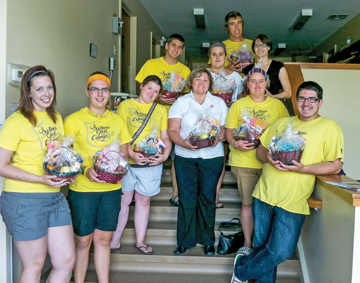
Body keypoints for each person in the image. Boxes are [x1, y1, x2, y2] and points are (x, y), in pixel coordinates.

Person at [231, 81, 344, 283]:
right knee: (262, 247)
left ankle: (241, 271)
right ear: (296, 101)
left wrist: (305, 168)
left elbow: (335, 165)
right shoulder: (282, 123)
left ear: (320, 102)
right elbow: (260, 151)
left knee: (280, 252)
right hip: (263, 194)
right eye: (302, 98)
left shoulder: (329, 127)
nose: (306, 103)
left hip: (293, 200)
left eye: (312, 99)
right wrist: (269, 158)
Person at [0, 65, 75, 283]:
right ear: (29, 92)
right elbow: (1, 165)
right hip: (24, 199)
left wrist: (66, 171)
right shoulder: (16, 122)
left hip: (54, 197)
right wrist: (39, 179)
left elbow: (55, 156)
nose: (46, 93)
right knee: (34, 265)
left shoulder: (56, 117)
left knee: (66, 261)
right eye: (39, 89)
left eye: (49, 87)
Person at [64, 72, 132, 283]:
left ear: (110, 93)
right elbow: (65, 156)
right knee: (83, 241)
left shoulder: (117, 120)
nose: (100, 94)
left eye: (105, 89)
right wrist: (85, 169)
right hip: (83, 191)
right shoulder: (73, 120)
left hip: (110, 190)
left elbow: (125, 152)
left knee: (104, 239)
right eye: (95, 89)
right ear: (87, 91)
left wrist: (121, 167)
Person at [226, 68, 289, 257]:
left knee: (270, 205)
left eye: (261, 81)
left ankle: (265, 243)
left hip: (270, 164)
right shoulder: (238, 105)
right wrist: (235, 142)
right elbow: (229, 131)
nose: (257, 85)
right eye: (253, 81)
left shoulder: (278, 105)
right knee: (247, 204)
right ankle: (247, 243)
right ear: (247, 84)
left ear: (267, 83)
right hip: (243, 162)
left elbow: (286, 131)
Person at [168, 67, 227, 256]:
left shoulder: (218, 103)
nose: (201, 83)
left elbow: (225, 130)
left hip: (212, 158)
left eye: (205, 80)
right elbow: (173, 130)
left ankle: (208, 240)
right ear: (191, 82)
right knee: (187, 199)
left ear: (210, 83)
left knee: (208, 199)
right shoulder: (180, 102)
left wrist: (218, 138)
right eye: (198, 79)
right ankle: (185, 241)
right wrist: (183, 143)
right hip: (185, 158)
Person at [110, 75, 171, 255]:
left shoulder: (160, 110)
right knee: (124, 201)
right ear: (142, 86)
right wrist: (131, 154)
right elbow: (121, 134)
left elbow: (165, 136)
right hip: (127, 163)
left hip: (150, 163)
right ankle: (114, 240)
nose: (152, 93)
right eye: (149, 88)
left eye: (156, 91)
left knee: (143, 201)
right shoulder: (125, 106)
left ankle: (140, 240)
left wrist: (164, 156)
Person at [135, 33, 191, 208]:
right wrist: (158, 99)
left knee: (176, 157)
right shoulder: (151, 64)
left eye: (180, 47)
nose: (176, 49)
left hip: (176, 118)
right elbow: (142, 88)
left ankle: (175, 193)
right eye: (174, 45)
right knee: (147, 151)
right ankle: (140, 193)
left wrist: (176, 96)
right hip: (151, 117)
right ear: (166, 46)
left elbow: (187, 94)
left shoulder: (185, 70)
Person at [207, 41, 243, 208]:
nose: (217, 57)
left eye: (220, 54)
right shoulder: (203, 74)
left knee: (220, 158)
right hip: (205, 123)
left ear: (225, 56)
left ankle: (214, 194)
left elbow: (240, 101)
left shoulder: (234, 76)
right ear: (210, 57)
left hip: (226, 123)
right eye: (214, 54)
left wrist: (229, 105)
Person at [242, 34, 292, 99]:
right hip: (252, 107)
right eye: (257, 45)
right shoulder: (247, 69)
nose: (260, 48)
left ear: (269, 47)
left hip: (272, 106)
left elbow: (288, 93)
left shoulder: (278, 66)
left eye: (264, 45)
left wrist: (272, 97)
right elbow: (244, 92)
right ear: (253, 49)